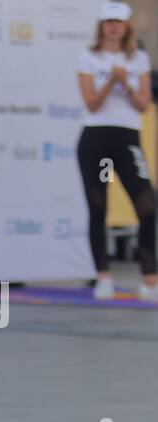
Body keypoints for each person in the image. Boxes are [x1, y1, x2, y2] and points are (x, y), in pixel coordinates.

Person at [76, 1, 156, 301]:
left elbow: (143, 104)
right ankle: (103, 276)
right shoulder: (88, 57)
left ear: (126, 26)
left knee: (146, 205)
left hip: (126, 140)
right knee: (99, 206)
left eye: (118, 22)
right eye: (108, 21)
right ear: (101, 25)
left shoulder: (138, 59)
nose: (113, 27)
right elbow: (92, 103)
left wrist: (127, 83)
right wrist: (111, 80)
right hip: (97, 140)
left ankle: (150, 278)